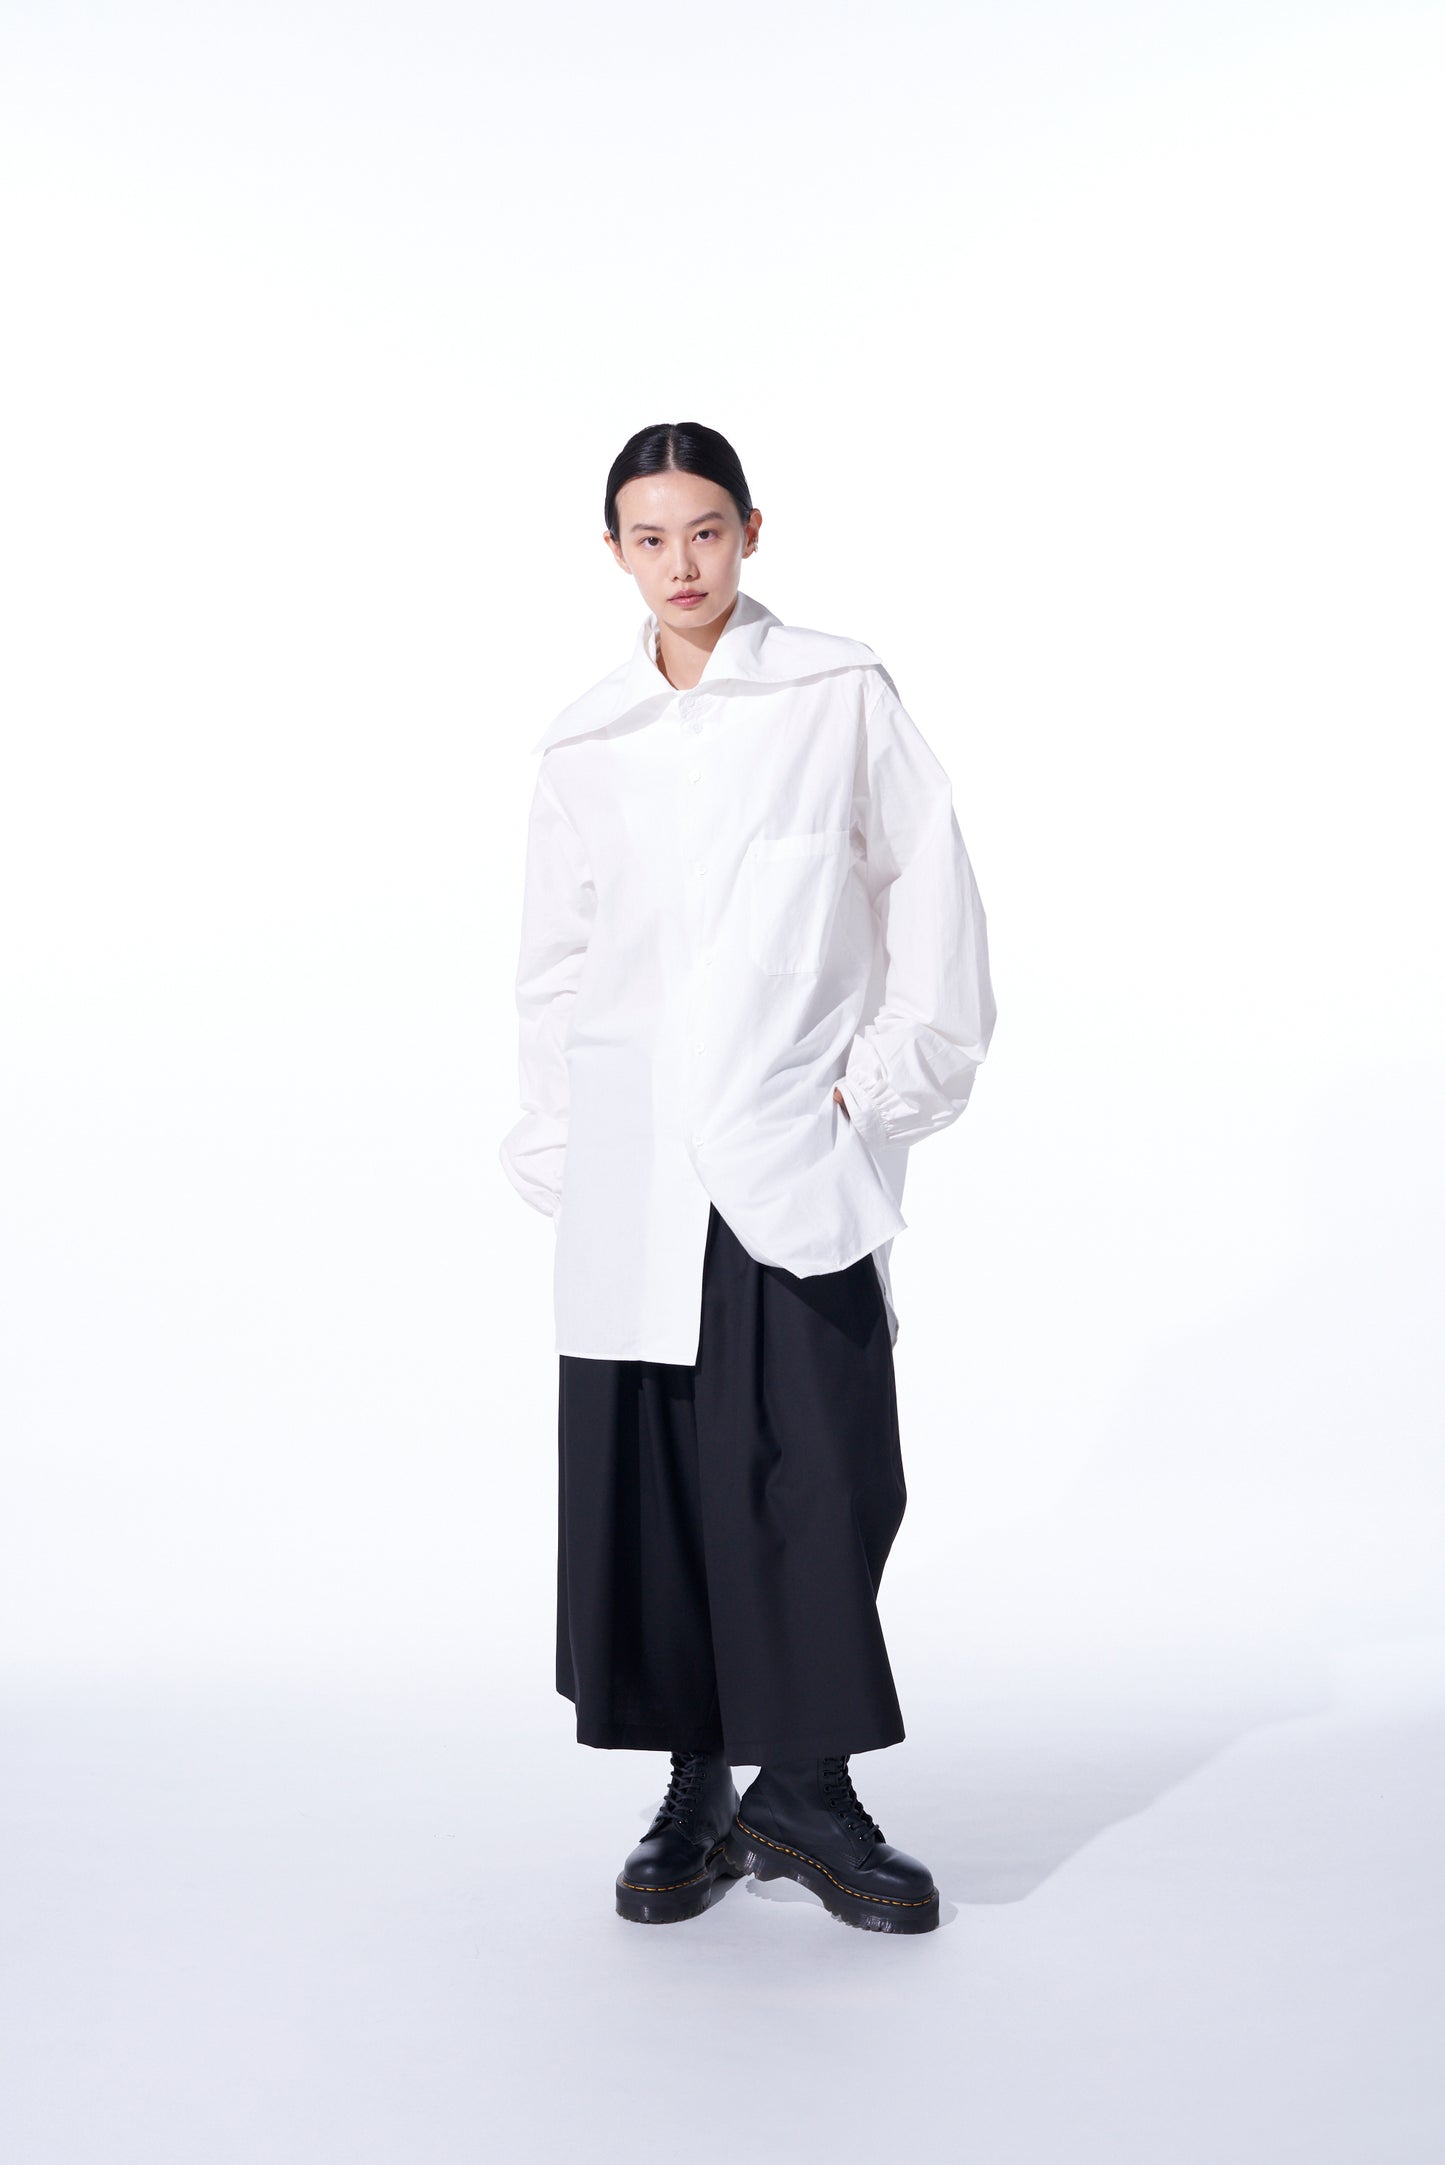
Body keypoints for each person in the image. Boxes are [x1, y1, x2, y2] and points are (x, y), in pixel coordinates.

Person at [500, 421, 996, 1935]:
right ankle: (700, 1784)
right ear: (614, 553)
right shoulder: (586, 741)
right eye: (650, 539)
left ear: (751, 531)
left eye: (705, 531)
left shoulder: (835, 692)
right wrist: (563, 1144)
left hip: (789, 1141)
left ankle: (810, 1788)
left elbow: (928, 885)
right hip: (636, 1165)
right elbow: (556, 962)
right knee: (655, 1484)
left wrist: (885, 1082)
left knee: (822, 1470)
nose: (682, 564)